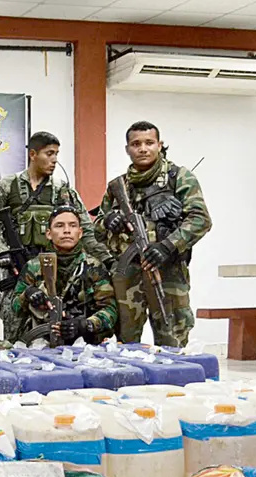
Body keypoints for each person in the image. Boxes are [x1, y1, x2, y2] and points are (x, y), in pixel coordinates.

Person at [0, 131, 108, 343]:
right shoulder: (8, 185)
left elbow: (85, 229)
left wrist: (106, 260)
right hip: (17, 269)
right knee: (14, 325)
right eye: (49, 153)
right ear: (33, 154)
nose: (54, 159)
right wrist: (2, 250)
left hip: (54, 271)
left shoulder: (62, 190)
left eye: (56, 154)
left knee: (56, 325)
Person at [95, 121, 212, 347]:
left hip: (167, 271)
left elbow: (201, 219)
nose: (143, 149)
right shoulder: (118, 186)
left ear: (159, 145)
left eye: (149, 143)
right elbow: (96, 228)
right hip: (127, 273)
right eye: (136, 144)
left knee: (172, 337)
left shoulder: (179, 177)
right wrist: (109, 221)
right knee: (126, 341)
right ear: (127, 149)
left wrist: (167, 246)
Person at [12, 206, 117, 345]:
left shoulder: (94, 267)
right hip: (41, 343)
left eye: (72, 226)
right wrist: (27, 295)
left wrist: (85, 325)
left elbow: (110, 310)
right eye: (59, 226)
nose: (66, 230)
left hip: (85, 345)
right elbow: (15, 308)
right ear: (48, 233)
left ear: (80, 233)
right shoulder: (34, 267)